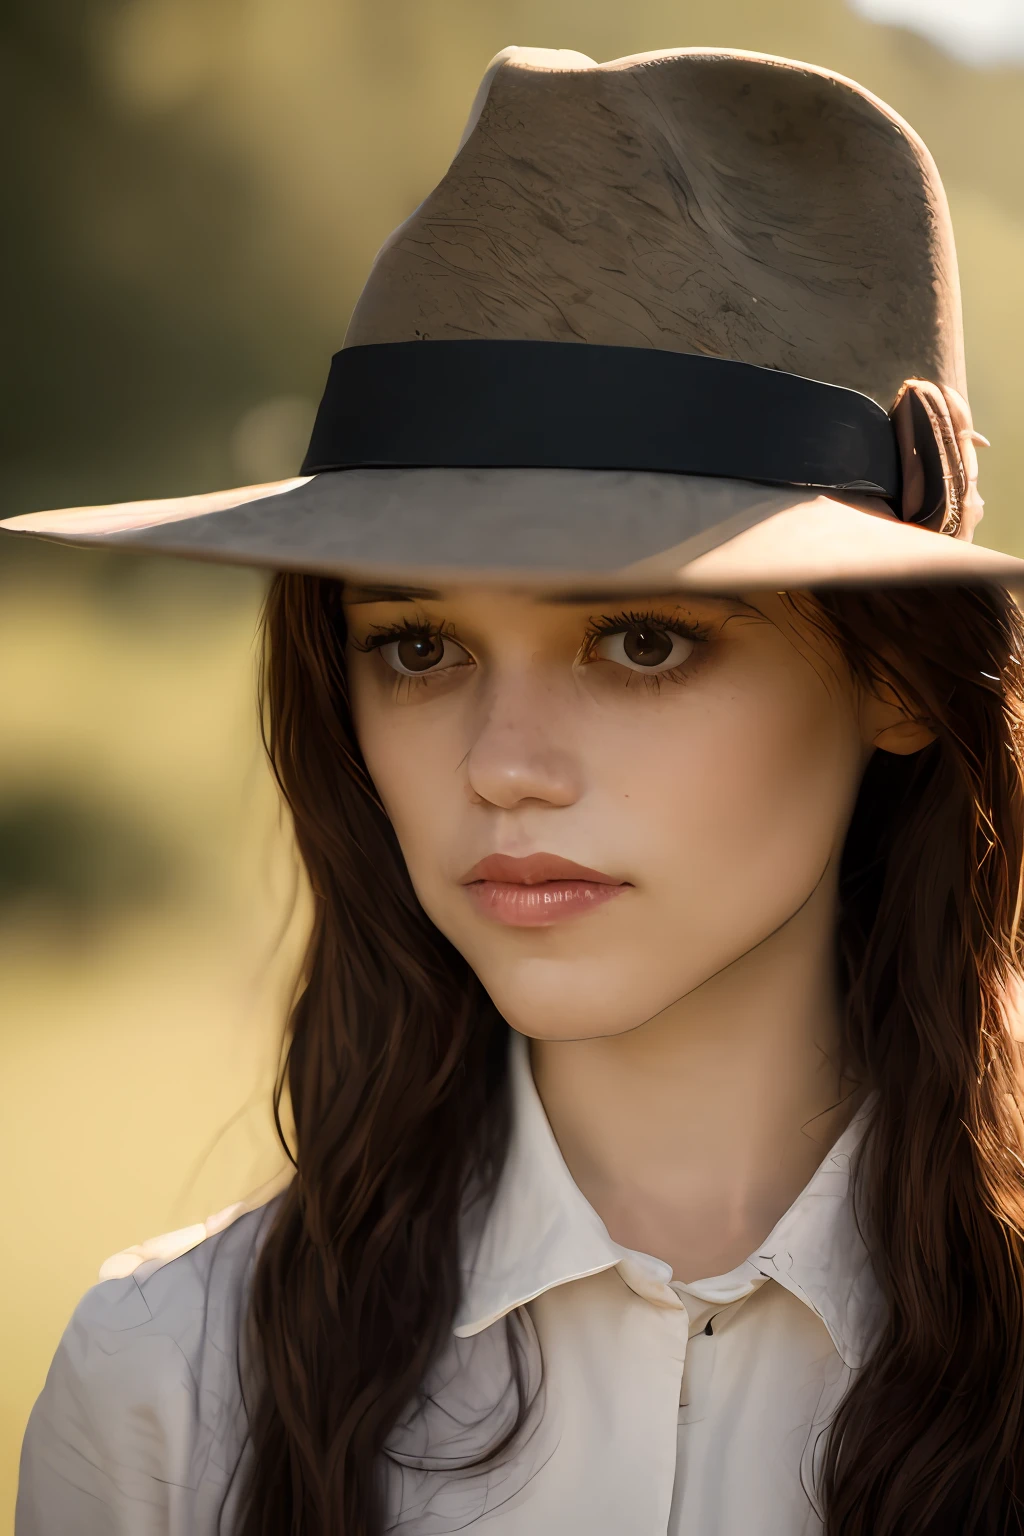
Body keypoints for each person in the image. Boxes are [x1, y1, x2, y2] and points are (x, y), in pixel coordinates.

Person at [9, 43, 1024, 1536]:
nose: (501, 764)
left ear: (896, 678)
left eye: (641, 640)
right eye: (416, 646)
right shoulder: (174, 1387)